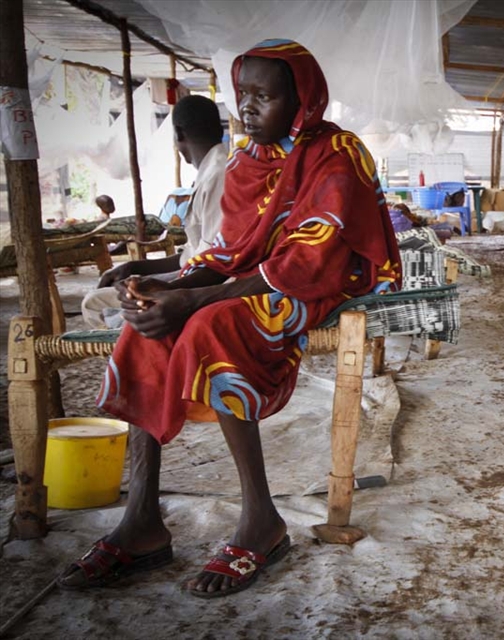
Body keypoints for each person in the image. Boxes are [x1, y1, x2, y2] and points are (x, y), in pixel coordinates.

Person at [57, 39, 402, 598]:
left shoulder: (338, 153)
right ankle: (141, 520)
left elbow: (308, 260)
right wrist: (165, 285)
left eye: (264, 97)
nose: (247, 109)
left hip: (319, 282)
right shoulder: (247, 160)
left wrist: (195, 300)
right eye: (243, 95)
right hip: (257, 276)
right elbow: (224, 252)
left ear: (302, 100)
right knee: (144, 324)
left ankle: (261, 521)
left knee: (211, 326)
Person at [81, 95, 228, 330]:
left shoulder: (218, 176)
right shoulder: (212, 172)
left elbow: (214, 265)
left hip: (203, 287)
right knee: (103, 296)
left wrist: (164, 288)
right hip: (195, 277)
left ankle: (138, 356)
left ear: (178, 134)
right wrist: (136, 267)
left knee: (94, 303)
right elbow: (193, 254)